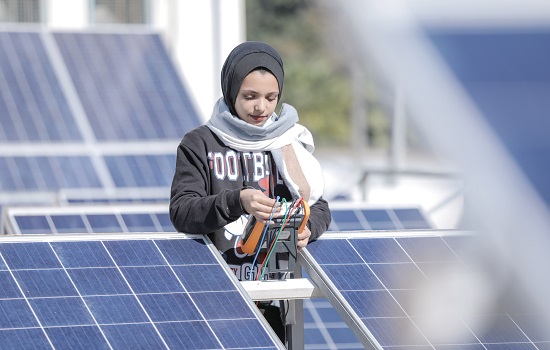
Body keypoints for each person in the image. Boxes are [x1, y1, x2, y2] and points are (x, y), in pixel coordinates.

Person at [169, 41, 331, 344]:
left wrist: (309, 227)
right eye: (250, 97)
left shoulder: (288, 143)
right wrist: (236, 201)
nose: (261, 108)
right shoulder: (200, 144)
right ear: (231, 92)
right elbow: (182, 212)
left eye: (271, 98)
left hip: (273, 299)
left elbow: (318, 206)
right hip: (215, 301)